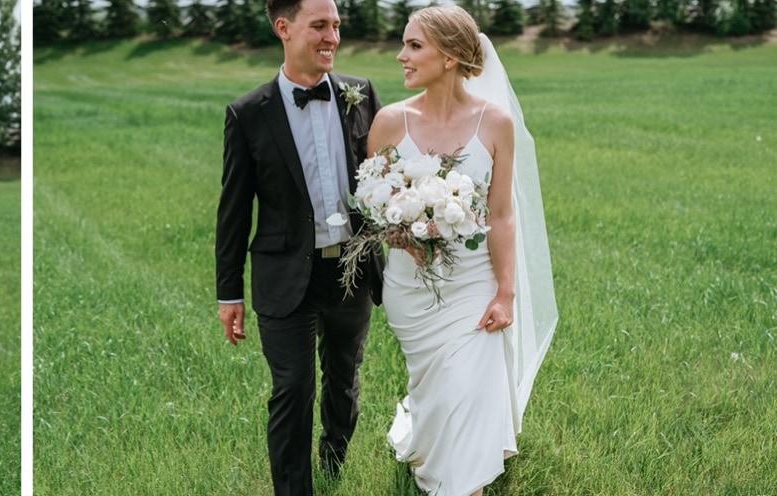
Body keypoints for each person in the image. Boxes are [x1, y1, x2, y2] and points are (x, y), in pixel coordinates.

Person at [366, 6, 558, 495]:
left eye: (414, 45)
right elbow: (373, 206)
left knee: (471, 386)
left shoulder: (495, 123)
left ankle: (461, 486)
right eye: (404, 44)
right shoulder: (389, 123)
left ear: (450, 55)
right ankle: (430, 448)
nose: (400, 55)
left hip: (476, 281)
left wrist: (506, 292)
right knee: (435, 389)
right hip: (412, 287)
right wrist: (399, 232)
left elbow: (501, 214)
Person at [214, 0, 384, 493]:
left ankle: (333, 465)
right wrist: (229, 293)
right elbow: (233, 210)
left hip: (352, 270)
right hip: (285, 275)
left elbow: (384, 176)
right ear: (284, 29)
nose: (332, 36)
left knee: (343, 387)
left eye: (335, 25)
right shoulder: (248, 114)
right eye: (319, 26)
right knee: (292, 388)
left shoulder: (361, 94)